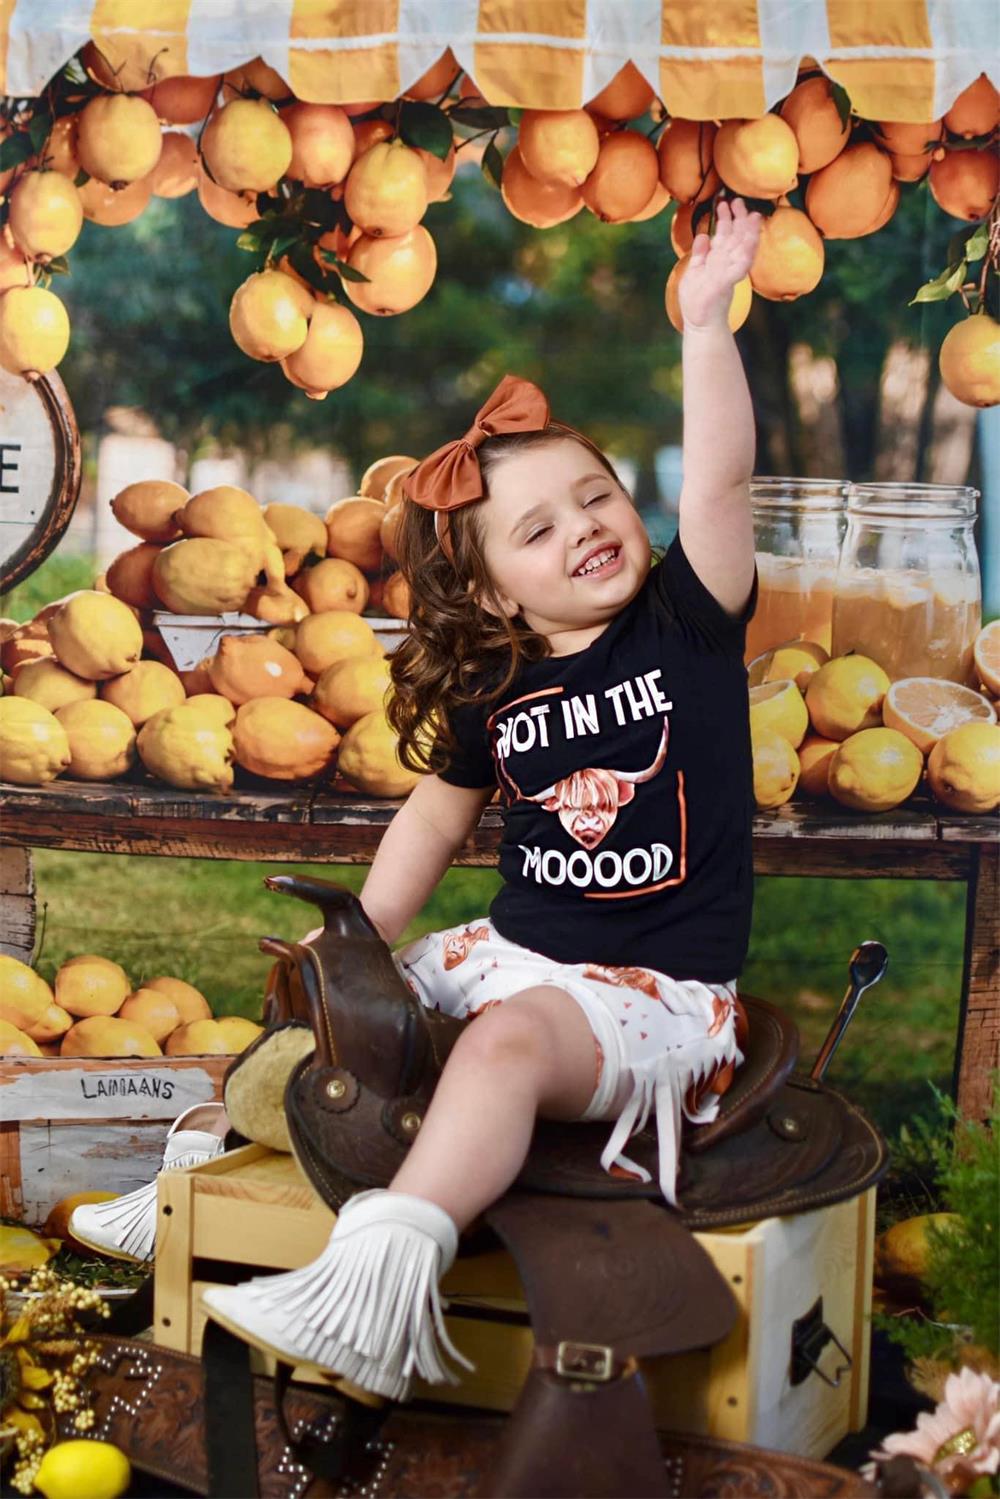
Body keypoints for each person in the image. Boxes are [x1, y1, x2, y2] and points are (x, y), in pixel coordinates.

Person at [169, 200, 761, 1400]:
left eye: (596, 497)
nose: (587, 527)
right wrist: (362, 940)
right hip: (515, 944)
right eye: (539, 530)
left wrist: (704, 325)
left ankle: (379, 1282)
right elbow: (435, 819)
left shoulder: (687, 624)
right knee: (328, 1010)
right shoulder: (500, 683)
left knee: (496, 1047)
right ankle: (174, 1189)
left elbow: (719, 477)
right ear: (492, 596)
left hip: (655, 997)